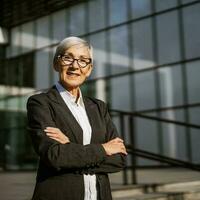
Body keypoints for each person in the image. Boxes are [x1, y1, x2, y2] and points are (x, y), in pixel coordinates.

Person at [27, 36, 127, 200]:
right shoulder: (40, 103)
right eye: (68, 58)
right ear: (56, 63)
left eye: (83, 61)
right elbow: (55, 156)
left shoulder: (99, 107)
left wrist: (70, 147)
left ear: (89, 69)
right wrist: (104, 149)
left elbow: (119, 159)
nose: (75, 66)